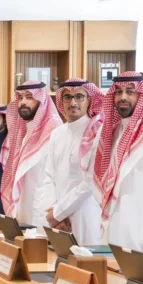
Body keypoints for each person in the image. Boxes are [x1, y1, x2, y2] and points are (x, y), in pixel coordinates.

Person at [93, 72, 143, 251]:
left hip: (140, 227)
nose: (123, 97)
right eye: (119, 92)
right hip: (113, 222)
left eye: (130, 92)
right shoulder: (112, 131)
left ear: (142, 95)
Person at [43, 79, 104, 245]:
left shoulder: (98, 133)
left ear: (89, 100)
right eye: (67, 97)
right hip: (57, 219)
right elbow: (48, 176)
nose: (73, 102)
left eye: (79, 97)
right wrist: (54, 213)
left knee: (86, 259)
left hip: (85, 215)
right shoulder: (57, 133)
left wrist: (59, 212)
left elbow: (89, 184)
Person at [0, 81, 62, 226]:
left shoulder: (54, 128)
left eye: (29, 97)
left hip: (44, 206)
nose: (23, 102)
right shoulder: (21, 130)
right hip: (24, 204)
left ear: (41, 100)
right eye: (20, 98)